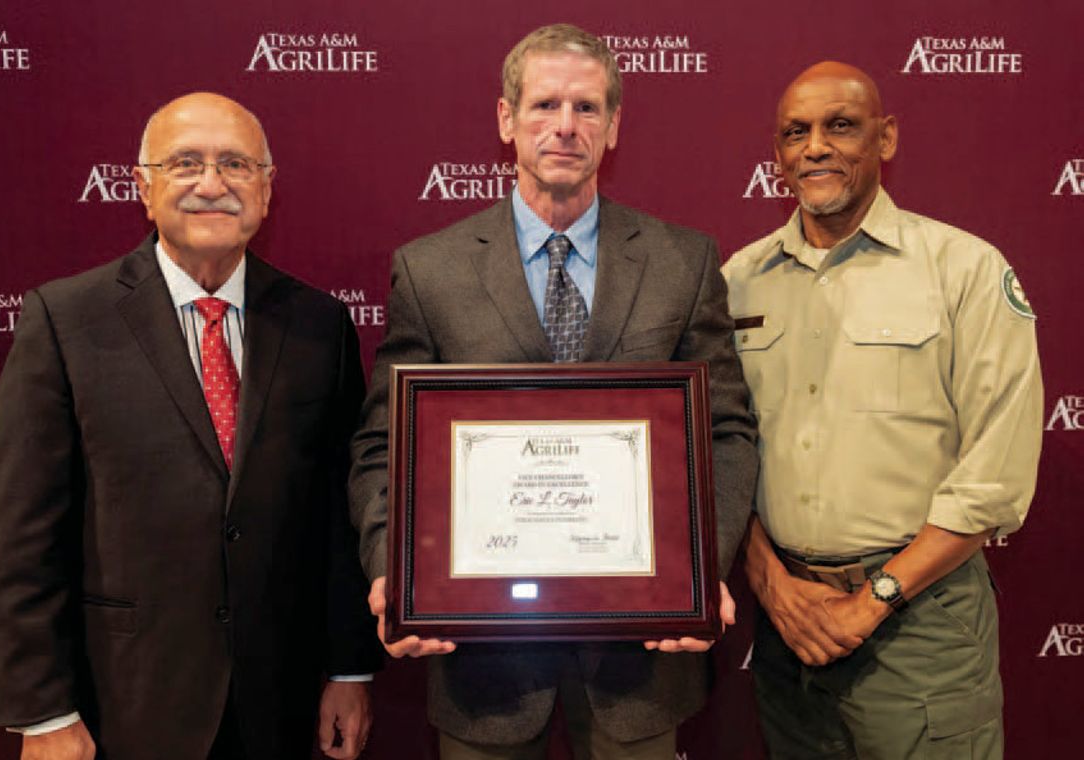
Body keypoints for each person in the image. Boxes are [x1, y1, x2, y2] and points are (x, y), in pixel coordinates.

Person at [348, 24, 758, 759]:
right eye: (543, 105)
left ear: (614, 126)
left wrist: (701, 568)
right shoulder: (430, 269)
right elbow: (386, 443)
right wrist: (394, 571)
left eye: (587, 108)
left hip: (644, 657)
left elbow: (725, 434)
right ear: (506, 120)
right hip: (483, 663)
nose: (564, 126)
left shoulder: (682, 261)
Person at [0, 92, 381, 760]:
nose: (212, 184)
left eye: (235, 164)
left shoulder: (320, 326)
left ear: (266, 189)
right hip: (122, 705)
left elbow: (338, 521)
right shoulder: (65, 320)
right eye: (185, 163)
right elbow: (26, 534)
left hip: (276, 705)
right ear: (143, 186)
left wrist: (348, 669)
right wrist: (42, 710)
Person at [723, 62, 1043, 759]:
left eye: (840, 125)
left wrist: (874, 600)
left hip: (921, 625)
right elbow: (721, 452)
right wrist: (772, 586)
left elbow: (996, 472)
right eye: (794, 132)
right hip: (790, 628)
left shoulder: (966, 270)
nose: (814, 147)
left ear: (886, 137)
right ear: (776, 153)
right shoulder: (736, 282)